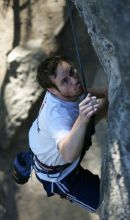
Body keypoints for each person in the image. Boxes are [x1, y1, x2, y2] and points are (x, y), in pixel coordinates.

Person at [29, 55, 108, 213]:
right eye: (64, 81)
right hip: (59, 174)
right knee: (107, 204)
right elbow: (68, 154)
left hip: (49, 143)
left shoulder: (68, 90)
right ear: (51, 90)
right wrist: (83, 119)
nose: (74, 80)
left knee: (105, 105)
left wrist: (105, 93)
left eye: (72, 71)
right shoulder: (56, 117)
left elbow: (80, 93)